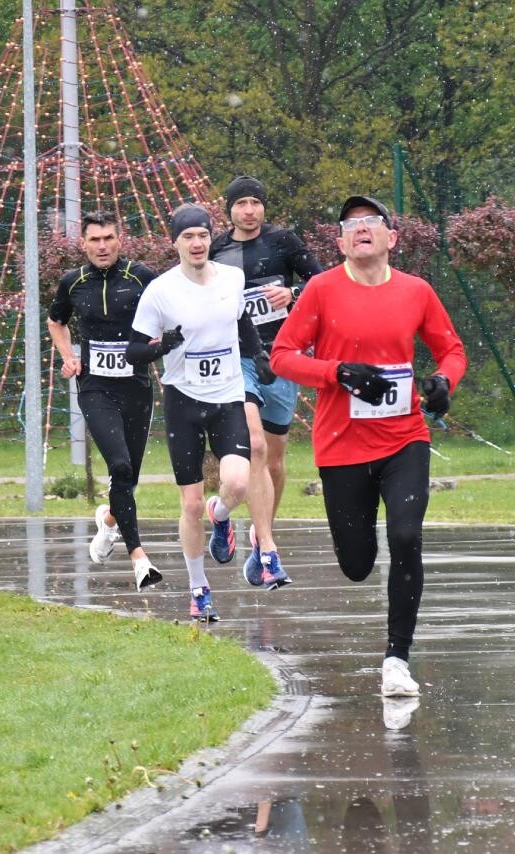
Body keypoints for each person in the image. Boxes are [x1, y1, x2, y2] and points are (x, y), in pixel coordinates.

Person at [271, 195, 466, 698]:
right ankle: (362, 552)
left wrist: (444, 380)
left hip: (405, 439)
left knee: (406, 538)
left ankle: (397, 659)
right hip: (341, 447)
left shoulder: (416, 291)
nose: (362, 229)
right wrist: (337, 373)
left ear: (390, 238)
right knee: (357, 565)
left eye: (372, 222)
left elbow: (451, 349)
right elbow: (282, 357)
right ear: (339, 243)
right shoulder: (320, 290)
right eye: (351, 225)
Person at [126, 204, 275, 621]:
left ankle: (221, 514)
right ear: (175, 243)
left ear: (212, 238)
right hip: (183, 401)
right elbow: (134, 351)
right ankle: (199, 588)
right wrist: (162, 345)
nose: (196, 243)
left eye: (203, 235)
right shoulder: (160, 291)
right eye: (188, 236)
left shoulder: (231, 277)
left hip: (227, 395)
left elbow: (241, 320)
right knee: (190, 504)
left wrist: (259, 354)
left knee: (238, 484)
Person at [210, 176, 322, 589]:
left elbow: (321, 281)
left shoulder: (284, 242)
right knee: (254, 446)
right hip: (237, 358)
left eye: (256, 202)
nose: (250, 210)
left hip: (281, 355)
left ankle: (257, 535)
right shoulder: (217, 249)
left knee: (274, 460)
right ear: (230, 210)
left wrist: (292, 293)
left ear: (264, 208)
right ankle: (271, 549)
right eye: (242, 204)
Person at [47, 210, 162, 591]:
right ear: (83, 244)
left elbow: (169, 314)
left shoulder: (142, 277)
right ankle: (139, 559)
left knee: (130, 476)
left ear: (119, 240)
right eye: (94, 240)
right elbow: (56, 320)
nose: (101, 246)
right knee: (119, 467)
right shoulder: (73, 281)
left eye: (108, 238)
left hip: (137, 388)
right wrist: (68, 356)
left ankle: (108, 524)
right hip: (95, 388)